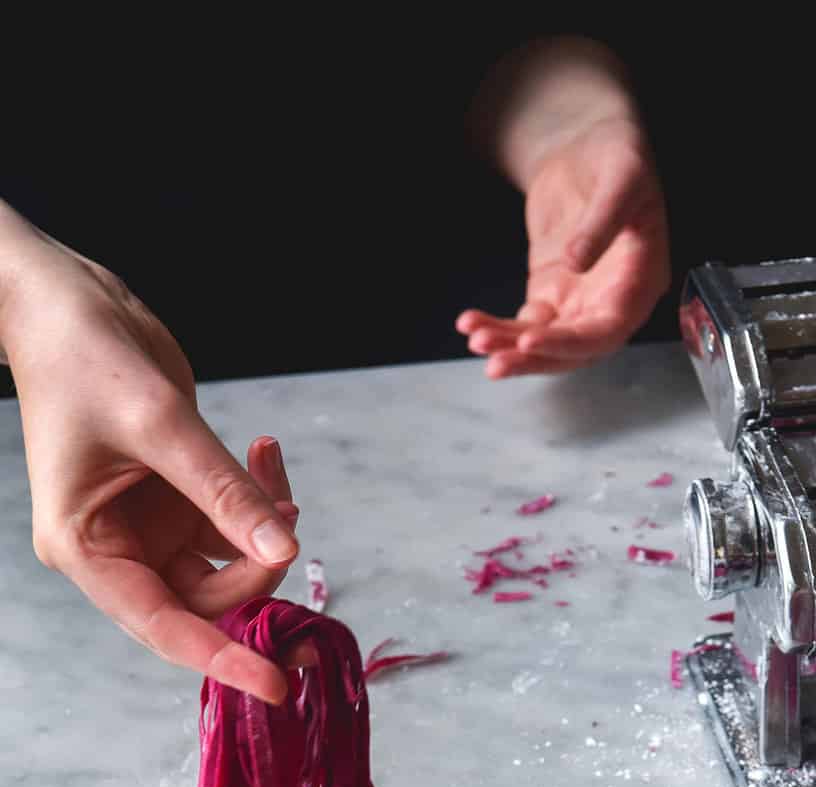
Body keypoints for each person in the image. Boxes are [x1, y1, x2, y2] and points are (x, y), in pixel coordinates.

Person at [0, 36, 669, 705]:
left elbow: (486, 47)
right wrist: (18, 295)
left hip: (447, 293)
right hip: (86, 312)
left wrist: (566, 127)